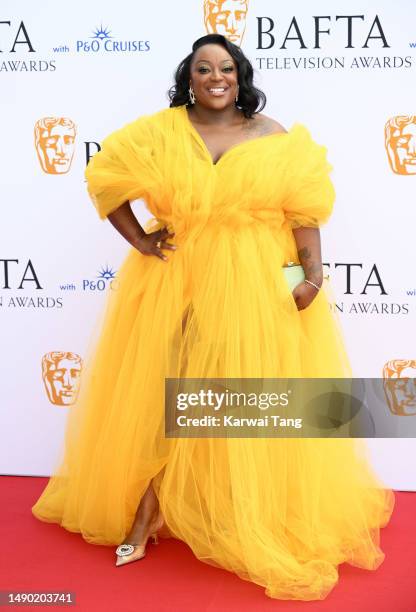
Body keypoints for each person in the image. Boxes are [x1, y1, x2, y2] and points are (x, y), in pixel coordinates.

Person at [32, 34, 395, 601]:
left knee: (242, 397)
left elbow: (304, 214)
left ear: (239, 74)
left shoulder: (273, 135)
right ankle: (147, 513)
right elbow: (105, 179)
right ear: (190, 76)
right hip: (178, 281)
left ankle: (243, 511)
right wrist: (141, 240)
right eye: (204, 68)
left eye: (225, 67)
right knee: (170, 395)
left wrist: (313, 278)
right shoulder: (161, 131)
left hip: (256, 284)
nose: (215, 77)